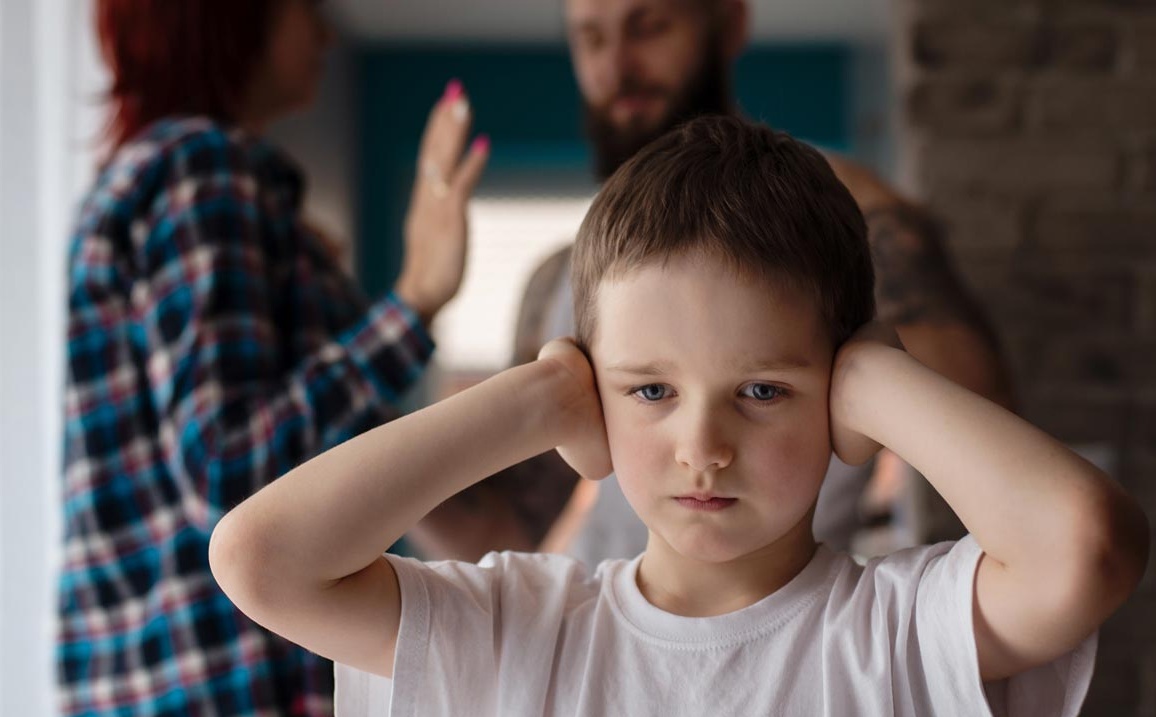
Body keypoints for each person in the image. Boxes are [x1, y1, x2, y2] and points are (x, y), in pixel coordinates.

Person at [210, 116, 1150, 717]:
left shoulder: (902, 638)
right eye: (649, 391)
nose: (703, 446)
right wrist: (534, 403)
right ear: (592, 385)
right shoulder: (516, 637)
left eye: (764, 390)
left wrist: (877, 382)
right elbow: (260, 557)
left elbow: (1088, 545)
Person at [57, 1, 487, 717]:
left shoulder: (149, 176)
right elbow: (228, 465)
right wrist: (414, 302)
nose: (325, 34)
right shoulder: (202, 171)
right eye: (306, 8)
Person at [411, 0, 1013, 566]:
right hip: (606, 640)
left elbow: (979, 418)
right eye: (591, 37)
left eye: (648, 27)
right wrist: (406, 314)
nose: (616, 68)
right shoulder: (559, 280)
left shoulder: (840, 223)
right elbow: (512, 533)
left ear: (729, 23)